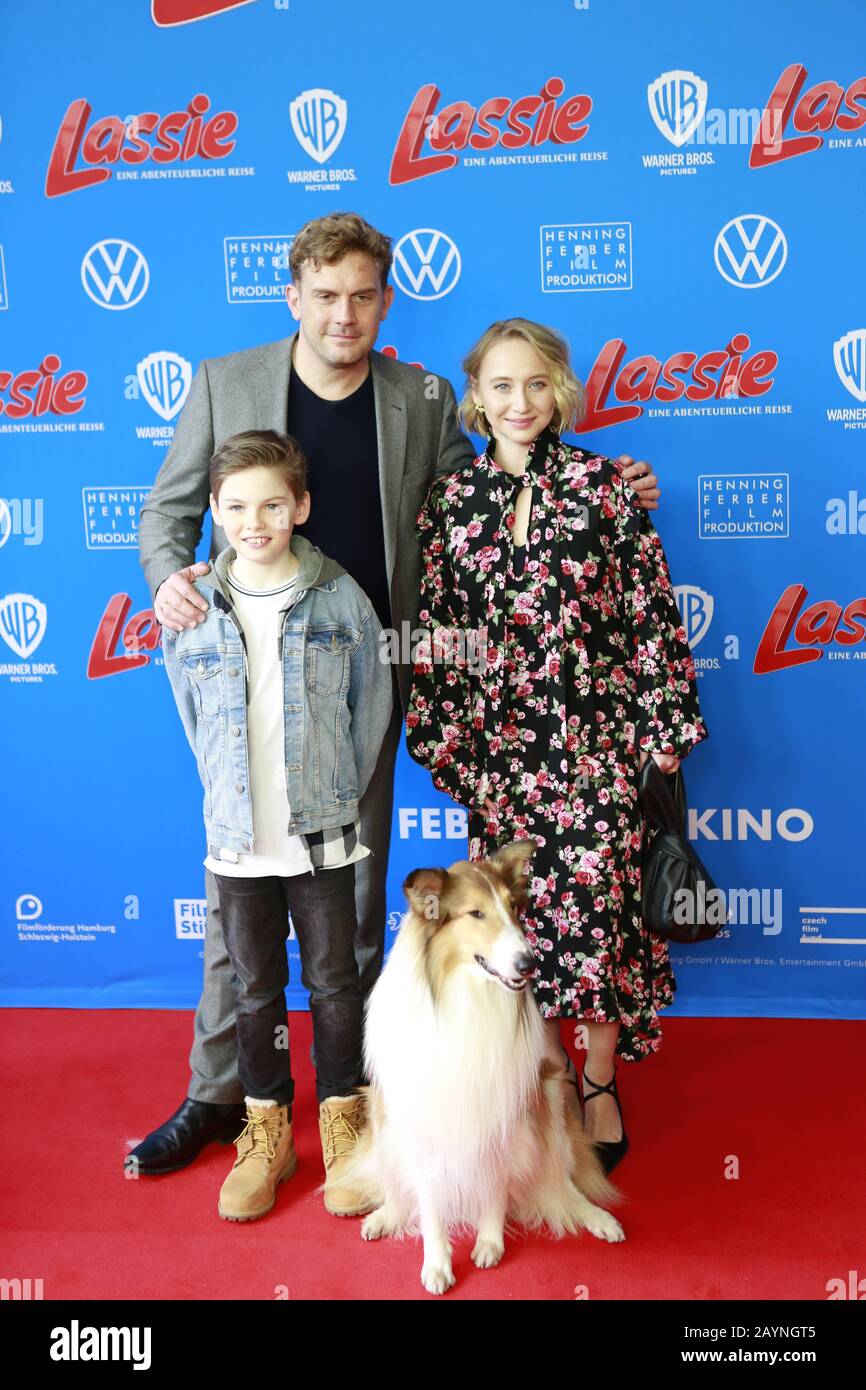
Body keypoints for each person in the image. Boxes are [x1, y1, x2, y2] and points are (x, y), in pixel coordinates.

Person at [133, 210, 662, 1181]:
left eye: (363, 294)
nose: (344, 313)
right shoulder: (224, 381)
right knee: (237, 893)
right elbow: (169, 512)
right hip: (244, 672)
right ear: (293, 297)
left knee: (358, 901)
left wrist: (607, 487)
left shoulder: (415, 396)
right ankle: (220, 1094)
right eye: (325, 295)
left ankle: (365, 1092)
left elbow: (495, 491)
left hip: (367, 676)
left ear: (386, 299)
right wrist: (170, 574)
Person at [405, 318, 708, 1174]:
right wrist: (449, 738)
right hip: (503, 757)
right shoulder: (451, 505)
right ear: (476, 397)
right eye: (501, 386)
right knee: (518, 930)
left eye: (536, 384)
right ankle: (540, 1079)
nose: (520, 402)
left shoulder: (607, 488)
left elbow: (648, 611)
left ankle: (600, 1079)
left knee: (601, 920)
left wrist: (664, 727)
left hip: (597, 746)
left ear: (561, 390)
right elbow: (440, 630)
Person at [162, 429, 393, 1219]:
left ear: (300, 506)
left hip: (321, 835)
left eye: (271, 503)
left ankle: (345, 1122)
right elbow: (194, 717)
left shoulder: (339, 596)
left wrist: (332, 794)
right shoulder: (195, 608)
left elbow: (372, 707)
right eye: (234, 506)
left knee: (335, 983)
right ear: (216, 515)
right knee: (255, 991)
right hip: (236, 842)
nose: (253, 520)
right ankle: (265, 1136)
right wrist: (232, 798)